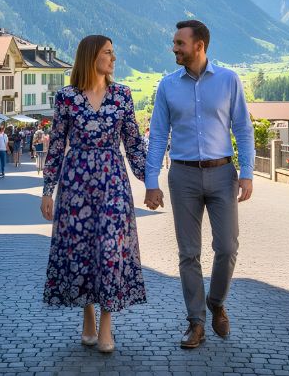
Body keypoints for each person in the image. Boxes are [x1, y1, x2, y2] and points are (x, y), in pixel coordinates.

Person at [145, 20, 254, 349]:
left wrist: (247, 173)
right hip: (183, 176)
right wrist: (152, 182)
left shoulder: (228, 80)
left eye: (179, 43)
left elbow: (243, 129)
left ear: (199, 46)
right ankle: (196, 323)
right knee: (188, 253)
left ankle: (216, 301)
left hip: (223, 174)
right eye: (174, 43)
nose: (174, 48)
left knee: (227, 248)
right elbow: (157, 137)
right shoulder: (166, 86)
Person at [40, 34, 146, 354]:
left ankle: (107, 324)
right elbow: (57, 146)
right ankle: (88, 315)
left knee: (110, 251)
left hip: (113, 180)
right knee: (81, 251)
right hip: (76, 183)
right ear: (91, 57)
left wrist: (150, 180)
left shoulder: (122, 96)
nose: (114, 59)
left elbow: (134, 144)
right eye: (108, 53)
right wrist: (48, 190)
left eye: (113, 53)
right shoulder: (67, 98)